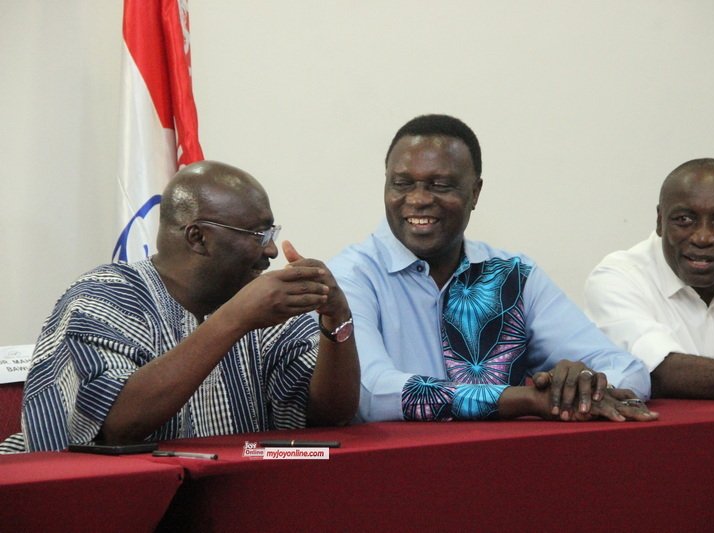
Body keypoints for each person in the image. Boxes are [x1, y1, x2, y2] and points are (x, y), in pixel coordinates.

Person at [4, 160, 359, 453]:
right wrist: (234, 319)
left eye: (271, 233)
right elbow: (118, 427)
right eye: (258, 235)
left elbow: (331, 416)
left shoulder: (264, 305)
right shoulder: (102, 299)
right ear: (198, 237)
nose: (270, 250)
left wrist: (337, 317)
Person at [328, 114, 657, 423]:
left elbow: (627, 370)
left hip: (501, 468)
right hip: (392, 471)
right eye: (402, 184)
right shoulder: (352, 276)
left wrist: (581, 388)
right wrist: (523, 399)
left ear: (475, 192)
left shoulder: (512, 275)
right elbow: (371, 392)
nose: (418, 199)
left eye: (439, 185)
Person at [585, 158, 714, 399]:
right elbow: (661, 373)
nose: (703, 237)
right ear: (660, 221)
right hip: (670, 436)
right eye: (685, 220)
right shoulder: (619, 279)